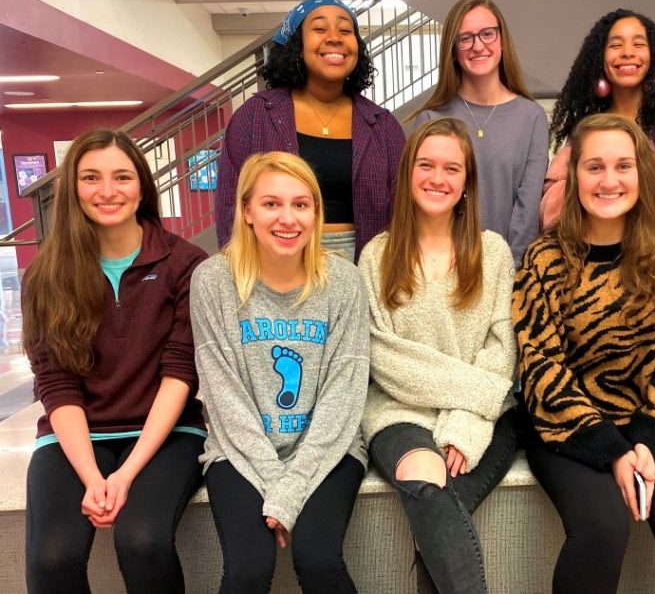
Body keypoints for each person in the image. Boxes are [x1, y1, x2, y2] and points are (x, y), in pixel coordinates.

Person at [514, 114, 655, 594]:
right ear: (574, 179)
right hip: (569, 425)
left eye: (622, 166)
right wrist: (613, 451)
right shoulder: (542, 261)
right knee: (602, 531)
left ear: (642, 176)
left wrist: (646, 441)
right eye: (594, 167)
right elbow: (541, 370)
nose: (609, 181)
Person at [22, 130, 208, 594]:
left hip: (166, 434)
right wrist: (92, 477)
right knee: (52, 559)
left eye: (122, 177)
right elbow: (56, 386)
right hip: (79, 435)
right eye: (91, 178)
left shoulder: (185, 264)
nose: (108, 191)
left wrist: (124, 475)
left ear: (142, 186)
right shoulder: (46, 276)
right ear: (72, 189)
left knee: (143, 542)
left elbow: (180, 372)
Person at [192, 151, 369, 593]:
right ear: (247, 211)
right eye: (271, 203)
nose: (287, 218)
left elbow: (343, 393)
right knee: (248, 570)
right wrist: (278, 485)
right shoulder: (212, 281)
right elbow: (223, 397)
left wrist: (291, 487)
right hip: (239, 448)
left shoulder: (344, 281)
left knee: (318, 560)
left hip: (328, 447)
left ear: (315, 214)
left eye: (301, 204)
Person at [359, 117, 517, 594]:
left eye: (452, 168)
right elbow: (383, 357)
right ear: (408, 174)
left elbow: (500, 350)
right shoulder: (376, 256)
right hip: (397, 412)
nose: (437, 178)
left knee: (439, 519)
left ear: (467, 181)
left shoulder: (493, 253)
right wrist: (478, 391)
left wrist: (464, 426)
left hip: (485, 417)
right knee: (427, 479)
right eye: (426, 165)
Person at [215, 0, 405, 261]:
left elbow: (403, 210)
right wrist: (237, 268)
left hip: (364, 264)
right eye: (319, 28)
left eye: (345, 30)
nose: (334, 37)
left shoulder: (382, 125)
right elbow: (229, 205)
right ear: (297, 44)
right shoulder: (255, 116)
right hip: (273, 264)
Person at [541, 8, 655, 233]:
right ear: (599, 58)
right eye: (616, 45)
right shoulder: (585, 124)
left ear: (653, 56)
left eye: (638, 44)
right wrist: (649, 187)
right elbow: (559, 195)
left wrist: (601, 191)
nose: (627, 53)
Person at [410, 0, 549, 265]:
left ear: (502, 39)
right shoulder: (430, 119)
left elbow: (528, 206)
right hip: (443, 267)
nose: (478, 46)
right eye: (465, 38)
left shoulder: (531, 117)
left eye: (487, 33)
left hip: (509, 268)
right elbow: (419, 205)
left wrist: (512, 271)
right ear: (452, 48)